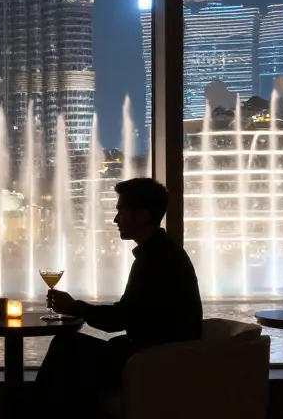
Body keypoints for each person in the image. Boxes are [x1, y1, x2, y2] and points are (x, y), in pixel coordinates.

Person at [37, 178, 202, 415]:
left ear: (143, 215)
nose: (116, 220)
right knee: (70, 351)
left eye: (120, 211)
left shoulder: (157, 260)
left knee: (66, 350)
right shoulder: (163, 253)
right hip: (161, 356)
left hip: (154, 362)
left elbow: (119, 319)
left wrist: (73, 307)